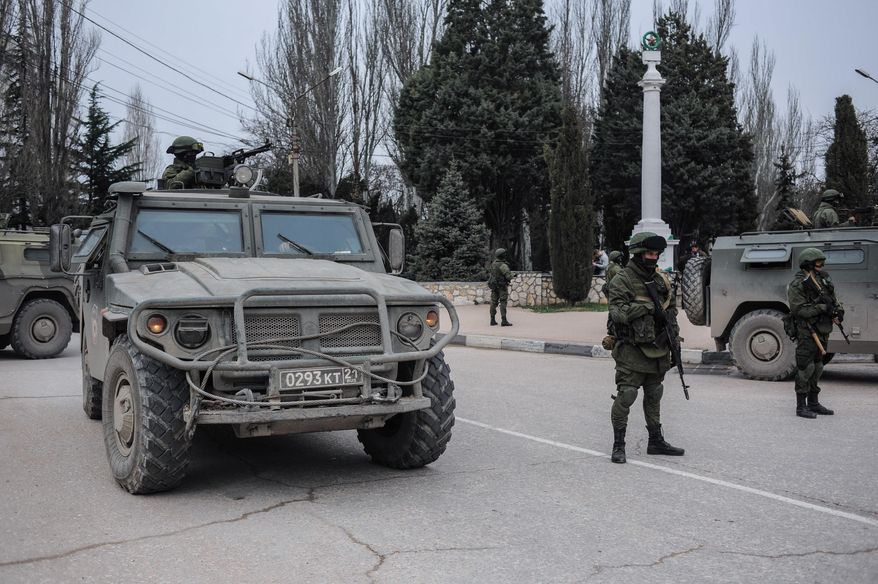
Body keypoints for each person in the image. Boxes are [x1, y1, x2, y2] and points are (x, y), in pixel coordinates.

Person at [607, 232, 684, 464]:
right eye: (649, 253)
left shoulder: (660, 281)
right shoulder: (622, 280)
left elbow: (670, 316)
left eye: (656, 254)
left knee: (654, 394)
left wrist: (675, 344)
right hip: (632, 350)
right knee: (627, 395)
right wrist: (647, 307)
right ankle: (618, 445)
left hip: (658, 349)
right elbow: (618, 313)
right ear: (639, 254)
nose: (653, 257)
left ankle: (655, 441)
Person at [787, 248, 840, 418]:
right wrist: (823, 307)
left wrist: (838, 311)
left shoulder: (823, 279)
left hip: (823, 329)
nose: (822, 266)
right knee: (806, 367)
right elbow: (799, 310)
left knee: (818, 367)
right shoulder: (798, 284)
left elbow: (834, 299)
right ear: (808, 264)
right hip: (807, 330)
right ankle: (801, 407)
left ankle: (814, 403)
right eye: (819, 263)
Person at [488, 248, 513, 327]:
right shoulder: (503, 265)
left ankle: (492, 320)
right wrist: (513, 275)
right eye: (504, 254)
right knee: (503, 302)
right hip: (502, 287)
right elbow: (508, 277)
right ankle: (504, 320)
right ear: (502, 255)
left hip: (494, 286)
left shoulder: (493, 264)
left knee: (493, 302)